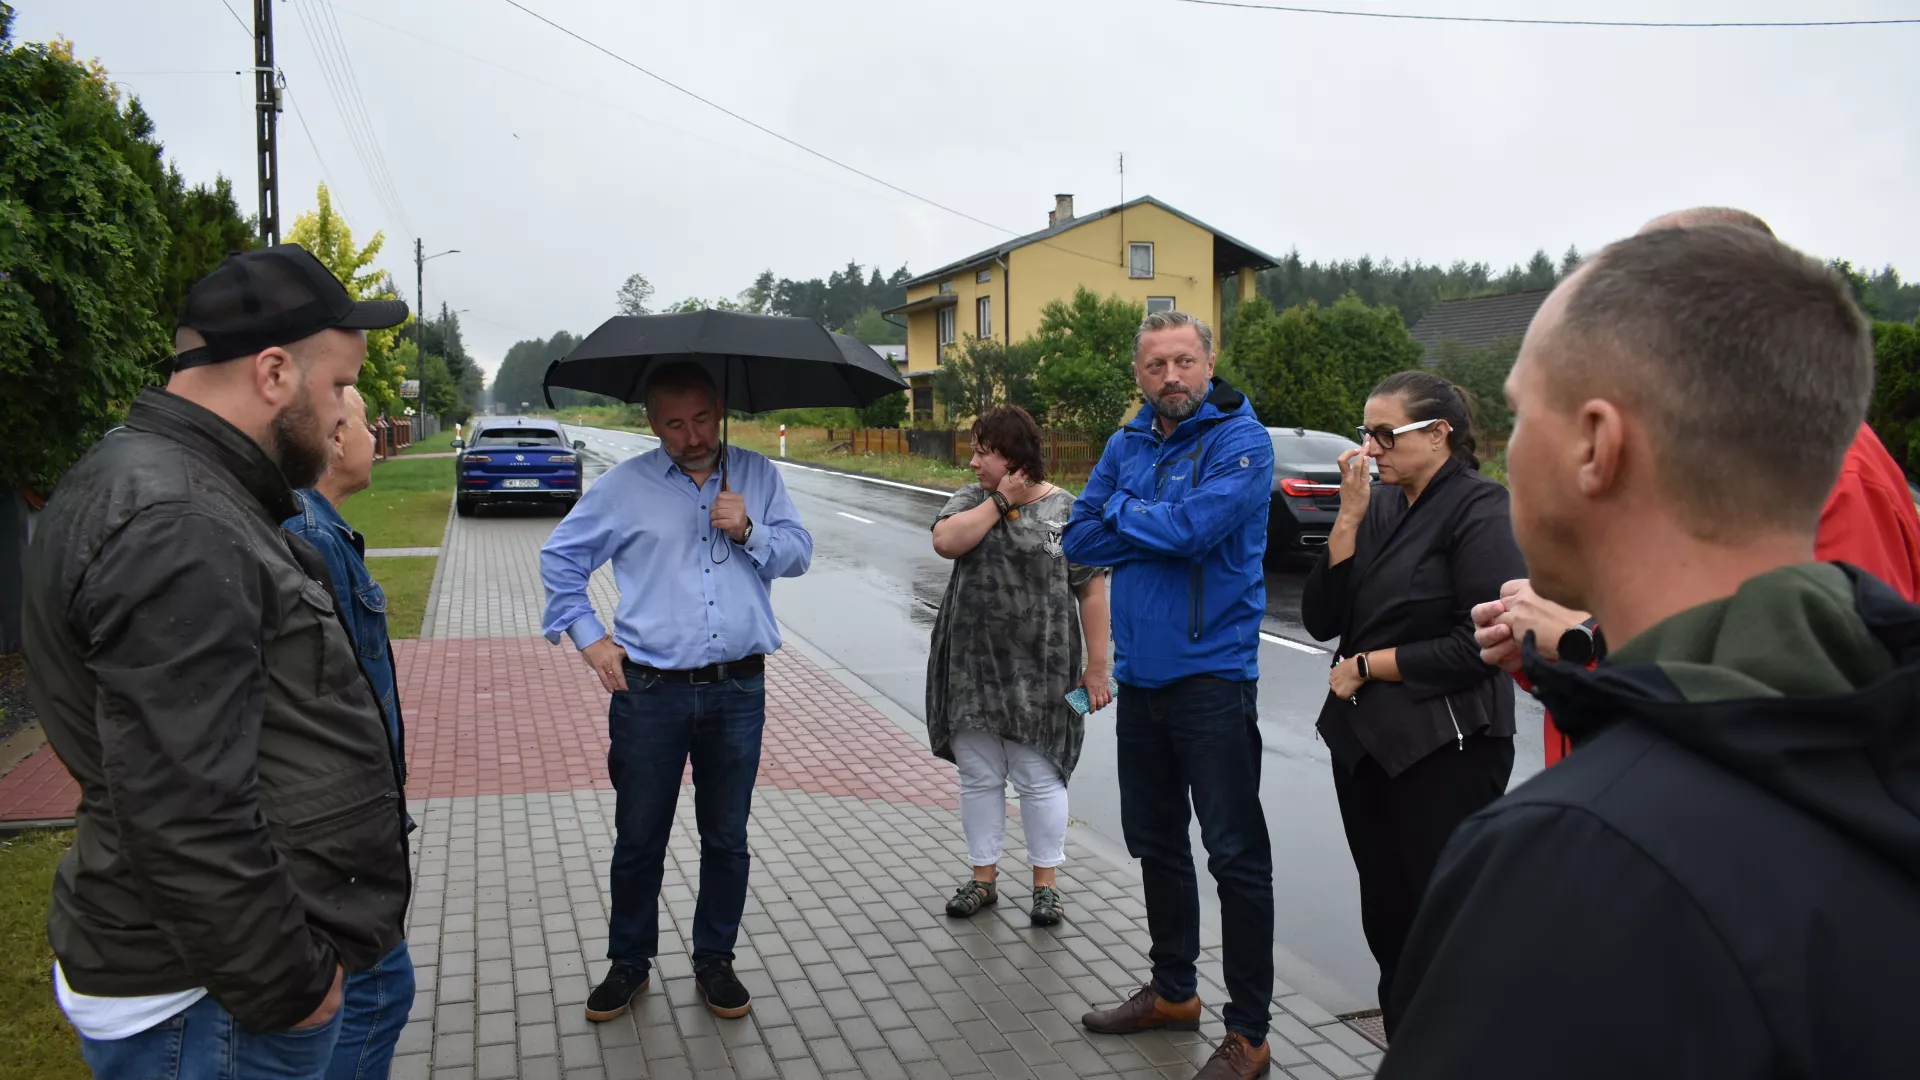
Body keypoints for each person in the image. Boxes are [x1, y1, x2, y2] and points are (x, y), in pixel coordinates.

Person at [1380, 225, 1920, 1076]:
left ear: (1597, 446)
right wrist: (1583, 655)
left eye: (1520, 412)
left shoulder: (1569, 862)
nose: (1507, 450)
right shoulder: (1878, 762)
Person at [22, 244, 412, 1079]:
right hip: (212, 1006)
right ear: (273, 373)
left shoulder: (160, 480)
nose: (346, 416)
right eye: (338, 386)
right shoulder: (179, 522)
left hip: (211, 988)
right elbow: (184, 807)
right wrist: (294, 987)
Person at [1476, 206, 1920, 766]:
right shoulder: (1709, 447)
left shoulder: (1826, 468)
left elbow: (1827, 714)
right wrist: (1552, 649)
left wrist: (1580, 642)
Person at [540, 362, 812, 1024]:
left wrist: (750, 530)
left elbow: (800, 553)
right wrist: (591, 640)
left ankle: (715, 959)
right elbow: (561, 558)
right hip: (649, 693)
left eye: (702, 420)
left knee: (727, 836)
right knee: (639, 837)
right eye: (674, 424)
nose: (692, 437)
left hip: (738, 688)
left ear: (719, 409)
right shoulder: (624, 487)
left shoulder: (758, 476)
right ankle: (629, 963)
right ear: (652, 422)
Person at [1063, 310, 1278, 1080]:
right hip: (1142, 681)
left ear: (1209, 364)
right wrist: (1147, 522)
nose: (1172, 377)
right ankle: (1174, 992)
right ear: (1139, 375)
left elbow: (1193, 531)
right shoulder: (1127, 442)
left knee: (1235, 857)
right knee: (1155, 843)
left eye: (1184, 362)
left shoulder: (1242, 443)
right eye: (1156, 366)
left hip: (1214, 679)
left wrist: (1124, 513)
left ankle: (1249, 1035)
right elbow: (1077, 538)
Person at [1298, 370, 1525, 1024]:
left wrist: (1370, 666)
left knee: (1442, 923)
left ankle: (1453, 1048)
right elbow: (1321, 618)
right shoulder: (1380, 505)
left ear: (1438, 433)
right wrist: (1347, 518)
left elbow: (1482, 643)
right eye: (1366, 433)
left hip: (1446, 752)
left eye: (1384, 434)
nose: (1369, 449)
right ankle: (1405, 1043)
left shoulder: (1481, 508)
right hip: (1368, 748)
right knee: (1388, 916)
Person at [927, 405, 1111, 927]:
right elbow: (946, 542)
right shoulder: (972, 500)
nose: (973, 462)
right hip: (972, 669)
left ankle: (1045, 885)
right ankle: (982, 879)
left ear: (1014, 456)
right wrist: (1001, 500)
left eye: (983, 452)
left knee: (1040, 776)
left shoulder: (1067, 510)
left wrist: (1097, 667)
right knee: (979, 777)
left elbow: (1092, 592)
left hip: (1043, 671)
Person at [282, 384, 417, 1080]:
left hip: (340, 831)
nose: (377, 435)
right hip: (335, 840)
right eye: (367, 423)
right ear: (335, 440)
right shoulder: (309, 536)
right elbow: (326, 702)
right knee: (375, 997)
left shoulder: (318, 528)